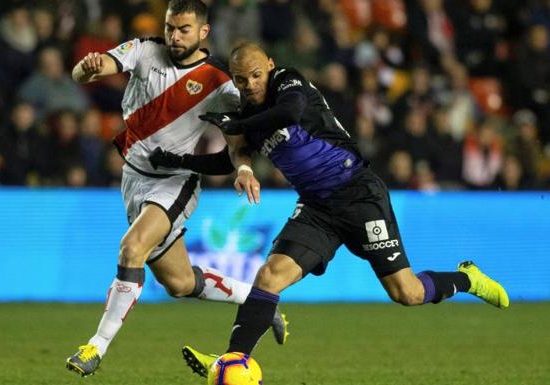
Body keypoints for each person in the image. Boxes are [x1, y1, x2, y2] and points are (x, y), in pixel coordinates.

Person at [148, 42, 510, 379]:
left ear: (269, 66)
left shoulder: (287, 82)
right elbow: (226, 161)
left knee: (407, 293)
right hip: (317, 208)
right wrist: (179, 161)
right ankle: (234, 358)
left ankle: (467, 278)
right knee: (270, 276)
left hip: (358, 193)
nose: (251, 85)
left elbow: (289, 112)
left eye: (256, 75)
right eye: (241, 80)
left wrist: (239, 126)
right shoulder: (247, 114)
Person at [65, 3, 288, 377]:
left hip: (174, 181)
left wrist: (244, 167)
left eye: (184, 29)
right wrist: (86, 68)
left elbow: (236, 141)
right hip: (133, 176)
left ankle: (95, 347)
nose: (175, 36)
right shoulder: (143, 50)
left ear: (203, 32)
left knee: (132, 248)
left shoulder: (219, 81)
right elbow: (91, 69)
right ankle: (259, 302)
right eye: (170, 27)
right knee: (180, 283)